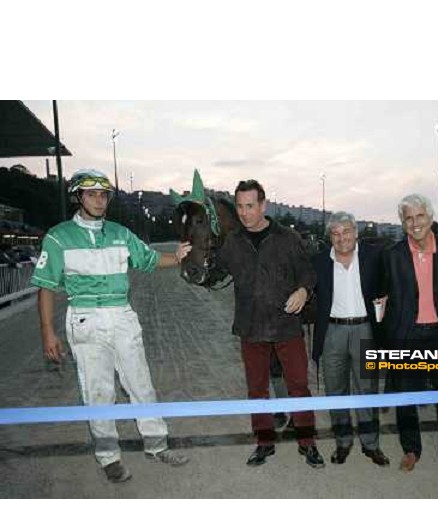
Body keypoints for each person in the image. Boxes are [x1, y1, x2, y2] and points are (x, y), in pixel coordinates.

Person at [31, 168, 192, 483]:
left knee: (140, 384)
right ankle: (109, 457)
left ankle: (157, 445)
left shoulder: (120, 233)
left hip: (122, 316)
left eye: (103, 194)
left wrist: (177, 257)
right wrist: (47, 332)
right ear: (78, 196)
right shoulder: (58, 236)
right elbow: (46, 287)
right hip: (85, 318)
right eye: (91, 194)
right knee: (99, 391)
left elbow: (147, 260)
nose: (99, 200)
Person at [217, 179, 324, 468]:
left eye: (250, 206)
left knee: (299, 386)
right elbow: (214, 274)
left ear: (263, 205)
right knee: (257, 390)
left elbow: (308, 273)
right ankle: (264, 443)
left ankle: (307, 443)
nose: (244, 212)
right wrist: (187, 257)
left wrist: (303, 291)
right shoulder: (232, 242)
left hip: (286, 327)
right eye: (239, 206)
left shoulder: (288, 238)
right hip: (250, 328)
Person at [382, 194, 438, 475]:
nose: (415, 223)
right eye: (408, 217)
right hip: (408, 336)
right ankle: (411, 449)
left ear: (430, 218)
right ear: (402, 222)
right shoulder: (393, 255)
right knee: (406, 397)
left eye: (420, 216)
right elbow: (388, 295)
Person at [312, 211, 389, 466]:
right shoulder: (320, 260)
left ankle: (371, 444)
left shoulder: (374, 257)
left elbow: (389, 283)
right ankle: (343, 443)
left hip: (364, 330)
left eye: (346, 231)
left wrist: (387, 297)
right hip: (332, 332)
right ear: (330, 237)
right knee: (336, 391)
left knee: (367, 389)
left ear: (356, 233)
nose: (341, 237)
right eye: (335, 233)